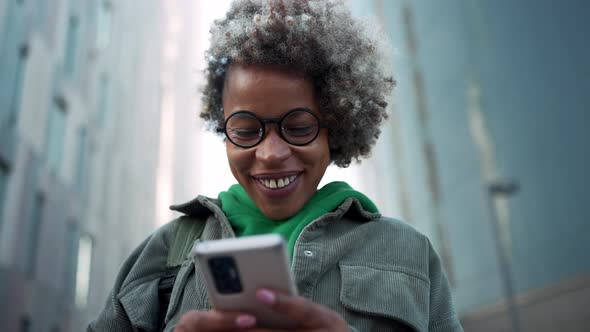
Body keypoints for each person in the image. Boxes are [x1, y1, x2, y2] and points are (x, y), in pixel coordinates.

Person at [88, 1, 463, 331]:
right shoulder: (169, 248)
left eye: (298, 128)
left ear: (338, 126)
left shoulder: (408, 252)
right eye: (246, 130)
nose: (269, 153)